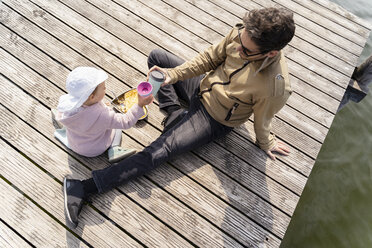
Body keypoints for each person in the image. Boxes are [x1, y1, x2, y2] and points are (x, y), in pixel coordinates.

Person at [63, 7, 296, 228]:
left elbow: (263, 119)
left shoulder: (274, 87)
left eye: (245, 51)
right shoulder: (241, 35)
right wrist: (172, 75)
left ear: (271, 53)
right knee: (157, 60)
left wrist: (266, 142)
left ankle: (84, 187)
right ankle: (175, 111)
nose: (238, 49)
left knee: (158, 151)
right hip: (202, 89)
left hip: (214, 118)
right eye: (240, 41)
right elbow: (208, 59)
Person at [52, 66, 153, 164]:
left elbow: (87, 110)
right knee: (116, 127)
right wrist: (140, 105)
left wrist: (103, 105)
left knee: (74, 123)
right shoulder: (103, 115)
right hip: (95, 150)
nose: (105, 89)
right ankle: (115, 148)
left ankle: (63, 129)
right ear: (92, 97)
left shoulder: (70, 107)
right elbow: (125, 122)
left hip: (74, 144)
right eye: (104, 88)